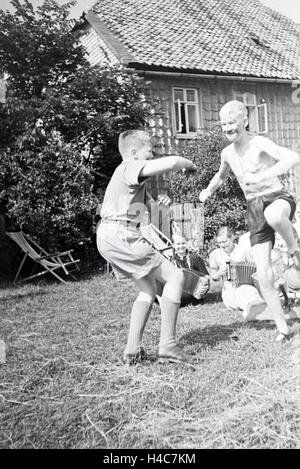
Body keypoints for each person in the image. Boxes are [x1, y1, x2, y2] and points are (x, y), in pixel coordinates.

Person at [199, 100, 300, 341]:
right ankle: (283, 328)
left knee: (274, 215)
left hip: (277, 197)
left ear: (245, 121)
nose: (228, 128)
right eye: (223, 124)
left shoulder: (259, 143)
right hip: (253, 207)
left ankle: (293, 246)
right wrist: (208, 191)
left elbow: (293, 158)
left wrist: (266, 174)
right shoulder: (227, 153)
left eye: (232, 122)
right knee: (263, 273)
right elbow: (220, 176)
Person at [97, 129, 197, 364]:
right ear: (133, 153)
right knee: (175, 277)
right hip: (122, 235)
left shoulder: (132, 182)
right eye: (149, 151)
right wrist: (189, 164)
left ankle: (132, 350)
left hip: (109, 235)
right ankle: (168, 346)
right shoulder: (128, 167)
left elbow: (149, 211)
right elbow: (172, 162)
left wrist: (162, 204)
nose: (151, 157)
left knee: (148, 288)